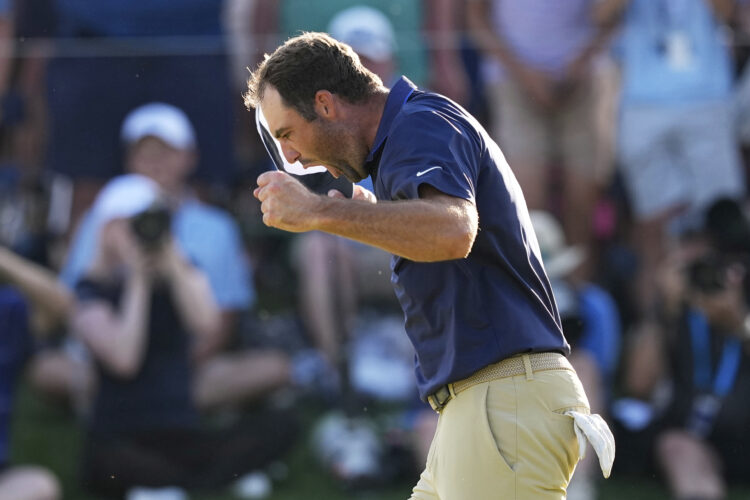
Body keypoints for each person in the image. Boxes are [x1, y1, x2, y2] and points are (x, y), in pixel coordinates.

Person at [245, 32, 614, 499]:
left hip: (503, 406)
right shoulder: (412, 132)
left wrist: (320, 211)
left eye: (287, 134)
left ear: (325, 104)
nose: (291, 157)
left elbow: (452, 231)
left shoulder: (419, 124)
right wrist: (361, 210)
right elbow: (438, 230)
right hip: (487, 409)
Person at [30, 102, 292, 415]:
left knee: (273, 367)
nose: (155, 163)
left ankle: (137, 403)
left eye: (166, 152)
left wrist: (166, 373)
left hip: (185, 363)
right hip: (110, 352)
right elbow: (74, 301)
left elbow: (217, 323)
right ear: (129, 160)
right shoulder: (104, 215)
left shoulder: (216, 227)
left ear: (189, 157)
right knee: (49, 369)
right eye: (145, 154)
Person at [70, 173, 296, 499]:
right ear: (106, 230)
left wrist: (172, 257)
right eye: (127, 224)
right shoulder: (90, 290)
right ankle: (200, 479)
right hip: (120, 432)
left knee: (282, 425)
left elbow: (207, 323)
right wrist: (138, 282)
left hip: (178, 428)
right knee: (112, 462)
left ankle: (171, 482)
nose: (136, 233)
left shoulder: (179, 274)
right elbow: (124, 359)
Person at [466, 0, 621, 258]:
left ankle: (579, 283)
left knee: (583, 203)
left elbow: (611, 16)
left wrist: (581, 63)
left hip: (587, 81)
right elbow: (477, 18)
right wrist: (526, 76)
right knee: (526, 204)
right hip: (511, 80)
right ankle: (534, 280)